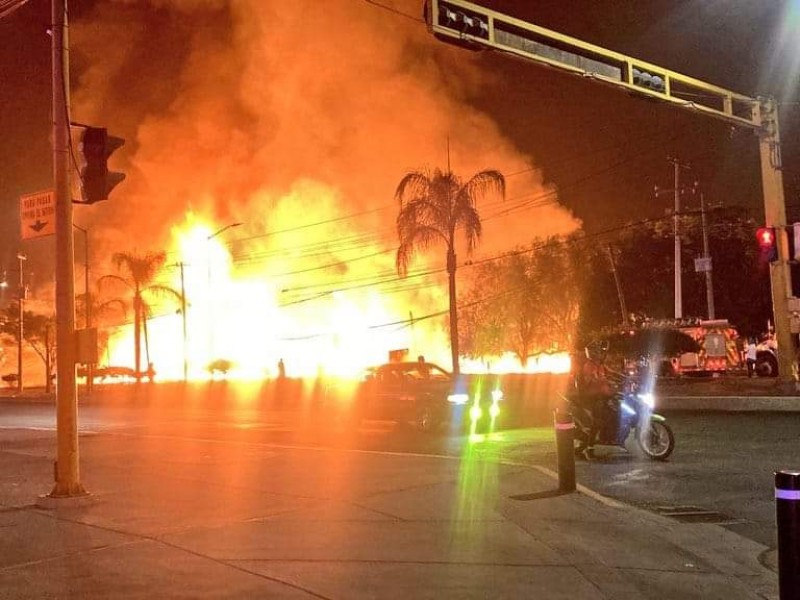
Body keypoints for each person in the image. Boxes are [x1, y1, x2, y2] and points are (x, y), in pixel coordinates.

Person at [573, 340, 616, 457]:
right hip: (592, 398)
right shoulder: (589, 366)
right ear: (593, 353)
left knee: (615, 411)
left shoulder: (600, 366)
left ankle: (610, 436)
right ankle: (590, 448)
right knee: (597, 422)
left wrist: (627, 378)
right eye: (599, 352)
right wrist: (603, 380)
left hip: (603, 396)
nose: (602, 354)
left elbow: (613, 373)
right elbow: (592, 380)